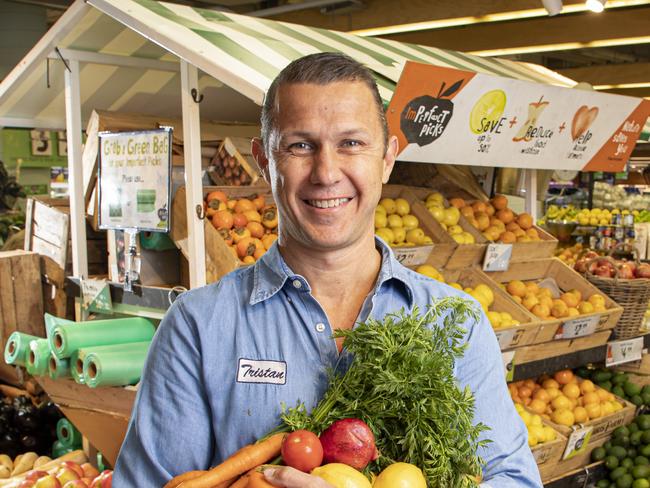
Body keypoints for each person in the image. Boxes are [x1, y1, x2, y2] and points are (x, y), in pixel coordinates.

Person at [113, 52, 542, 487]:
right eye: (300, 145)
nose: (326, 172)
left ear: (388, 157)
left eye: (351, 144)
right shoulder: (198, 326)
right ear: (264, 160)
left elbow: (514, 479)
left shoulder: (455, 322)